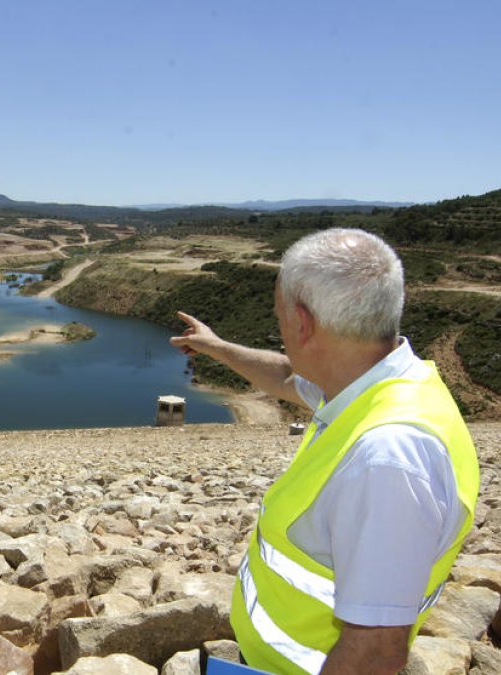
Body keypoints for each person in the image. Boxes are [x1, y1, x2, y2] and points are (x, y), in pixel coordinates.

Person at [171, 228, 479, 675]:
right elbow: (287, 379)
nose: (280, 329)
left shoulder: (387, 456)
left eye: (279, 316)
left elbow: (374, 652)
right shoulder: (380, 385)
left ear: (302, 322)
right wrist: (216, 348)